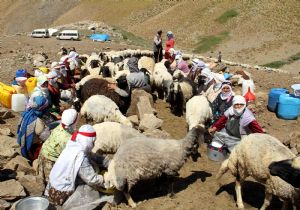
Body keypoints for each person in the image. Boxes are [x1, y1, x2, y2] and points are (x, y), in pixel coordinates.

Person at [46, 125, 112, 206]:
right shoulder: (80, 157)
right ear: (88, 141)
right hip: (60, 192)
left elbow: (90, 155)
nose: (94, 144)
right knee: (91, 190)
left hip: (52, 184)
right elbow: (91, 179)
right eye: (93, 141)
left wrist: (106, 161)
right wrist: (104, 179)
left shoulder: (74, 144)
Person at [37, 108, 78, 183]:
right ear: (75, 121)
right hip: (50, 161)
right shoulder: (68, 138)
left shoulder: (59, 125)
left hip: (43, 153)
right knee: (52, 183)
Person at [17, 95, 50, 161]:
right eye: (46, 107)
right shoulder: (37, 121)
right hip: (32, 148)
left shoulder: (27, 113)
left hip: (23, 141)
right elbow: (46, 137)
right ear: (42, 108)